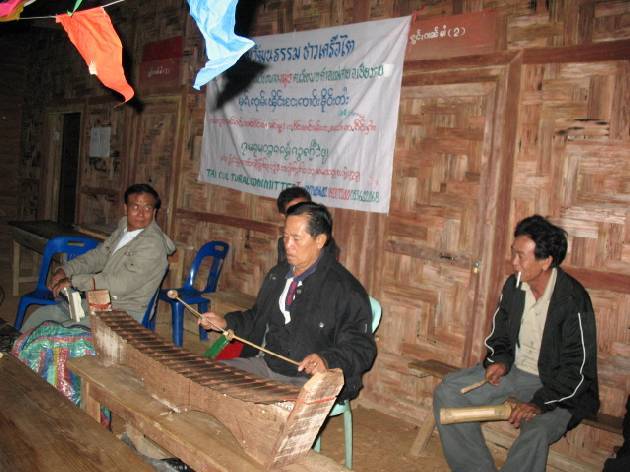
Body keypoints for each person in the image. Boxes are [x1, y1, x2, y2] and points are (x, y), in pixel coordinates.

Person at [433, 215, 599, 472]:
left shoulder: (572, 300)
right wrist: (500, 360)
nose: (513, 262)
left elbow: (577, 372)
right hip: (516, 372)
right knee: (448, 392)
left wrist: (539, 403)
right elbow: (499, 336)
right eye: (513, 253)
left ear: (546, 261)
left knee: (536, 432)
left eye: (521, 256)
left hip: (558, 388)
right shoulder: (514, 285)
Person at [199, 201, 376, 400]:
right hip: (267, 366)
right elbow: (257, 317)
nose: (288, 245)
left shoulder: (345, 289)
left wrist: (327, 360)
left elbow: (362, 348)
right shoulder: (278, 275)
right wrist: (226, 322)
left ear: (320, 240)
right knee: (208, 375)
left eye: (296, 239)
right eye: (285, 237)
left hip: (310, 380)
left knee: (264, 407)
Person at [21, 183, 176, 331]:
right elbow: (99, 255)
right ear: (126, 208)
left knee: (62, 331)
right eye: (135, 207)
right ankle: (13, 348)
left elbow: (122, 284)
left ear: (154, 212)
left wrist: (74, 281)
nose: (141, 214)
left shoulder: (153, 245)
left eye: (147, 208)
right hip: (103, 300)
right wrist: (65, 270)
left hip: (125, 310)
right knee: (42, 315)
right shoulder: (125, 229)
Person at [276, 186, 311, 263]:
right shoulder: (283, 243)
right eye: (294, 213)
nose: (301, 216)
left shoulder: (322, 242)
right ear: (284, 217)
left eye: (304, 210)